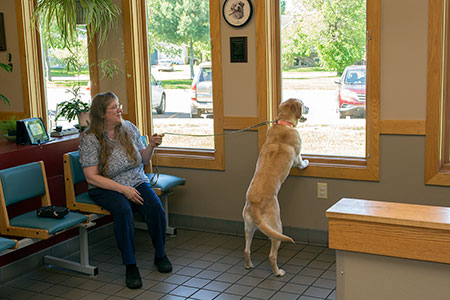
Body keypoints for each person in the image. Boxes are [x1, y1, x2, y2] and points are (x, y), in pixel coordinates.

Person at [79, 91, 171, 289]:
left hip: (135, 180)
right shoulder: (90, 139)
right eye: (114, 107)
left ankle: (160, 255)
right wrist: (123, 190)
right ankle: (130, 265)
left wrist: (152, 146)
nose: (119, 109)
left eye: (118, 105)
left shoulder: (128, 128)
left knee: (155, 208)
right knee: (123, 211)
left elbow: (144, 160)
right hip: (105, 186)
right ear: (102, 113)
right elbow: (91, 177)